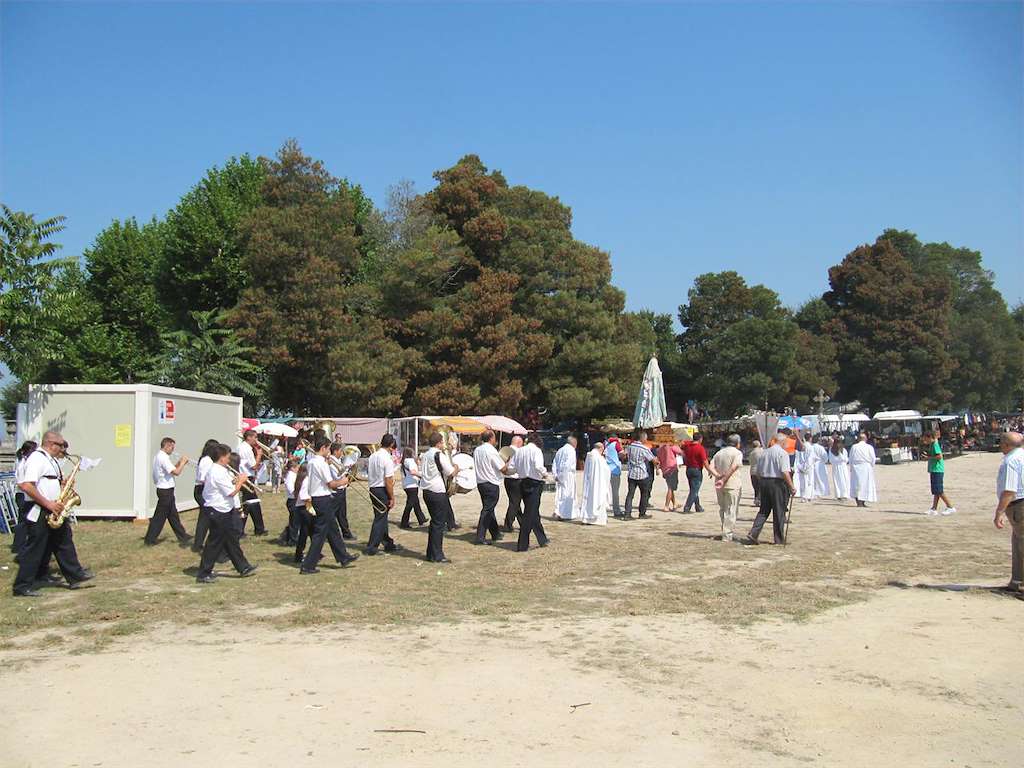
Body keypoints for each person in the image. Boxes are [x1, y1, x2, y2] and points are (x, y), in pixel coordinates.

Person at [12, 432, 94, 597]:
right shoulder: (37, 458)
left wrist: (61, 484)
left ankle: (74, 575)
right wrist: (48, 503)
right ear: (51, 444)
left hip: (54, 507)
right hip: (40, 508)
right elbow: (27, 486)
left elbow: (46, 480)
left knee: (62, 540)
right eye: (61, 445)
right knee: (35, 547)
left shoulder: (50, 460)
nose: (63, 449)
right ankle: (22, 586)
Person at [196, 443, 257, 583]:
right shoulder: (217, 471)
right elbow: (231, 492)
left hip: (223, 510)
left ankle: (243, 567)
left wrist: (234, 481)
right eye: (228, 457)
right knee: (214, 543)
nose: (229, 460)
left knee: (231, 541)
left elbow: (226, 486)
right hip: (218, 511)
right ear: (222, 458)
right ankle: (203, 573)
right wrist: (241, 482)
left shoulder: (220, 470)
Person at [299, 438, 359, 575]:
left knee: (333, 529)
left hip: (318, 498)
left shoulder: (312, 461)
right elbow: (331, 484)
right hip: (323, 498)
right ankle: (308, 565)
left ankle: (343, 557)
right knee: (320, 534)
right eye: (328, 449)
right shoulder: (320, 463)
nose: (329, 452)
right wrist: (344, 481)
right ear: (324, 448)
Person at [746, 432, 795, 545]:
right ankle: (779, 539)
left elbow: (758, 471)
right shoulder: (782, 453)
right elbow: (784, 472)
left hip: (764, 482)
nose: (786, 445)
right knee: (779, 511)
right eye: (785, 443)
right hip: (777, 483)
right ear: (782, 442)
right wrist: (791, 486)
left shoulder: (764, 453)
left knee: (764, 510)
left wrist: (763, 482)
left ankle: (753, 533)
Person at [144, 437, 192, 547]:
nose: (173, 450)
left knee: (173, 515)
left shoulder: (159, 456)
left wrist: (179, 462)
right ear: (167, 446)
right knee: (159, 517)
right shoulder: (163, 458)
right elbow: (176, 472)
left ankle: (182, 536)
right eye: (172, 447)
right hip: (165, 491)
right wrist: (183, 463)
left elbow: (170, 470)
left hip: (166, 490)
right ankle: (150, 539)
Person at [992, 432, 1024, 594]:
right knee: (1018, 543)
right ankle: (1017, 581)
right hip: (1019, 504)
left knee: (1021, 544)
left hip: (1019, 505)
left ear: (1006, 445)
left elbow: (1009, 490)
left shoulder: (1011, 461)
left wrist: (999, 512)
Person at [420, 432, 457, 563]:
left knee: (434, 523)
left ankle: (431, 553)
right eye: (442, 442)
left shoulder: (424, 454)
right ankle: (437, 555)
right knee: (438, 524)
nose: (443, 445)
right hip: (437, 491)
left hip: (426, 490)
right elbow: (450, 472)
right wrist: (456, 467)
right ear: (439, 443)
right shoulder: (438, 455)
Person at [512, 432, 549, 551]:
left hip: (522, 481)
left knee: (533, 511)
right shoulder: (536, 451)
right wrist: (545, 474)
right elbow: (538, 466)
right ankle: (522, 544)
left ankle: (542, 538)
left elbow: (513, 467)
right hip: (534, 482)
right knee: (529, 514)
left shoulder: (520, 451)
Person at [365, 434, 401, 556]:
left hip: (373, 487)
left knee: (382, 517)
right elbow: (388, 480)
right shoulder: (387, 458)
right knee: (380, 519)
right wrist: (392, 497)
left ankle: (387, 543)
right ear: (391, 445)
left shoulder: (373, 456)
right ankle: (371, 547)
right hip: (381, 489)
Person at [473, 430, 507, 544]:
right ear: (491, 438)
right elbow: (502, 468)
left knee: (489, 508)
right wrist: (508, 462)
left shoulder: (477, 450)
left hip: (481, 482)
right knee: (487, 510)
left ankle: (495, 533)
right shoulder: (491, 450)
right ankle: (480, 536)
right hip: (491, 482)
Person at [712, 434, 743, 541]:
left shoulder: (719, 453)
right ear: (737, 443)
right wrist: (724, 479)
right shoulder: (737, 453)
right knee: (731, 509)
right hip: (732, 484)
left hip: (719, 485)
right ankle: (727, 534)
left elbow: (711, 467)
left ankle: (724, 530)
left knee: (723, 508)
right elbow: (734, 467)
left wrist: (717, 476)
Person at [191, 439, 219, 553]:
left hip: (204, 489)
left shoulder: (208, 460)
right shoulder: (206, 460)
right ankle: (198, 544)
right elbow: (202, 478)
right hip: (201, 490)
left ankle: (200, 543)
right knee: (205, 518)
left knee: (206, 518)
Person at [11, 440, 37, 558]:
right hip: (22, 495)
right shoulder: (22, 465)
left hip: (26, 495)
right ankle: (18, 546)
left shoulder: (28, 463)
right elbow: (21, 484)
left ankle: (24, 546)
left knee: (27, 522)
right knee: (23, 522)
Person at [237, 430, 267, 535]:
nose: (256, 440)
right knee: (249, 504)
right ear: (249, 437)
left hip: (246, 477)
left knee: (253, 503)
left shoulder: (244, 447)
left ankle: (259, 528)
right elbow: (254, 466)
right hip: (247, 478)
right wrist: (259, 454)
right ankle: (241, 529)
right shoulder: (246, 449)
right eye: (255, 437)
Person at [623, 431, 658, 519]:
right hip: (642, 473)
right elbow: (653, 460)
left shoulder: (629, 447)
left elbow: (624, 456)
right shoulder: (644, 448)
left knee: (630, 494)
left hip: (631, 473)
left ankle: (627, 513)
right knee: (644, 494)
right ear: (643, 438)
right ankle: (642, 513)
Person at [328, 443, 356, 541]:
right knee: (331, 515)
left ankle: (346, 533)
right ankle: (326, 534)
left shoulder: (337, 460)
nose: (342, 453)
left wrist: (349, 469)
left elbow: (342, 472)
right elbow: (337, 477)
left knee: (342, 514)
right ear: (335, 451)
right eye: (340, 451)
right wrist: (347, 475)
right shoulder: (331, 461)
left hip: (341, 490)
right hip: (336, 491)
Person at [924, 432, 956, 516]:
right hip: (934, 470)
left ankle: (950, 507)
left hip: (937, 470)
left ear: (930, 437)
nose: (924, 440)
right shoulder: (932, 444)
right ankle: (934, 508)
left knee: (939, 490)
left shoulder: (935, 445)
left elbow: (939, 456)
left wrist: (929, 457)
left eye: (925, 438)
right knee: (936, 491)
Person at [579, 442, 611, 526]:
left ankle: (586, 518)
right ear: (600, 448)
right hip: (598, 483)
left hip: (589, 483)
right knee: (598, 498)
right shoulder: (599, 458)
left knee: (588, 499)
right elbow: (606, 470)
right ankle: (597, 519)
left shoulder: (589, 456)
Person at [681, 433, 712, 513]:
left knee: (693, 489)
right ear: (700, 439)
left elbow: (682, 444)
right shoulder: (700, 448)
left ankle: (698, 506)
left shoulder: (687, 446)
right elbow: (705, 461)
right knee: (694, 490)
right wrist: (709, 470)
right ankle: (687, 507)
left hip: (688, 469)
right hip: (697, 470)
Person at [399, 447, 427, 528]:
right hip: (412, 485)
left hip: (407, 484)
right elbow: (413, 471)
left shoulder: (404, 461)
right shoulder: (410, 461)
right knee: (410, 504)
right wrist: (422, 476)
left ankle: (421, 518)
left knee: (415, 503)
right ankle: (404, 522)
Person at [552, 436, 579, 521]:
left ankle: (559, 511)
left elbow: (554, 463)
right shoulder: (571, 451)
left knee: (560, 494)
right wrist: (562, 476)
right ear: (574, 443)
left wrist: (556, 475)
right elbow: (567, 464)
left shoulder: (560, 450)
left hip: (560, 473)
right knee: (567, 494)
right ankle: (565, 513)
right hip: (567, 475)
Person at [502, 435, 525, 532]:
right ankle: (508, 524)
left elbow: (501, 463)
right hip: (516, 478)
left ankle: (522, 522)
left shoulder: (505, 450)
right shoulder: (520, 452)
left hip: (507, 479)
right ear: (519, 443)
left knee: (514, 502)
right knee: (514, 503)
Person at [849, 433, 878, 507]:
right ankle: (862, 502)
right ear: (865, 439)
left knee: (857, 484)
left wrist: (851, 467)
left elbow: (851, 458)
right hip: (866, 467)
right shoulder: (869, 447)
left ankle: (859, 502)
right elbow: (873, 458)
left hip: (856, 467)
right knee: (865, 485)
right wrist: (871, 466)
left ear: (858, 439)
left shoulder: (854, 447)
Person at [657, 440, 684, 512]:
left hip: (664, 469)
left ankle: (674, 504)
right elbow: (681, 453)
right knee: (670, 488)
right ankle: (666, 505)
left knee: (670, 486)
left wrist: (657, 469)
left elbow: (658, 460)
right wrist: (679, 445)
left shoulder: (660, 449)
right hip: (672, 468)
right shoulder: (672, 446)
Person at [605, 433, 624, 518]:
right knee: (615, 492)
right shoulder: (616, 444)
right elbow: (622, 454)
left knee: (606, 491)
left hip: (606, 469)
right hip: (615, 469)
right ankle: (616, 510)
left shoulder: (606, 444)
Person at [747, 440, 764, 507]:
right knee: (761, 487)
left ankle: (756, 499)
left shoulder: (751, 453)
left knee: (756, 487)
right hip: (760, 471)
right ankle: (759, 500)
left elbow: (750, 462)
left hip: (752, 471)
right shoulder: (761, 451)